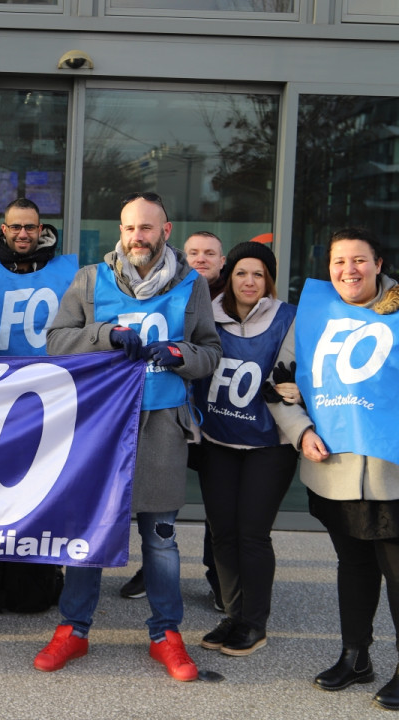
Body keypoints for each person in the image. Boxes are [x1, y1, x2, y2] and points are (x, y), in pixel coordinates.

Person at [34, 191, 220, 682]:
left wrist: (182, 355)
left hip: (162, 422)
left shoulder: (191, 284)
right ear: (121, 231)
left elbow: (210, 351)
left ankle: (165, 634)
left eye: (147, 228)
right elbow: (56, 343)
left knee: (160, 538)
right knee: (89, 530)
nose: (137, 237)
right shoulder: (90, 279)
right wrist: (105, 335)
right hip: (100, 423)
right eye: (129, 228)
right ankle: (73, 629)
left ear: (166, 231)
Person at [268, 227, 399, 710]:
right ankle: (355, 656)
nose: (349, 270)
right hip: (335, 469)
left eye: (360, 260)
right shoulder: (314, 317)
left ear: (379, 264)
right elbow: (278, 383)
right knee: (354, 567)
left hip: (393, 472)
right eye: (339, 261)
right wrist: (302, 430)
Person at [193, 242, 298, 656]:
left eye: (258, 274)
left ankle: (254, 623)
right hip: (219, 440)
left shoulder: (289, 317)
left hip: (268, 443)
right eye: (241, 273)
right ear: (229, 277)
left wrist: (298, 389)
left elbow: (310, 369)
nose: (249, 281)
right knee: (222, 533)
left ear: (267, 279)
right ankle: (234, 615)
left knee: (252, 535)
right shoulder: (207, 317)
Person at [0, 197, 76, 608]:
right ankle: (2, 569)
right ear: (4, 229)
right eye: (15, 227)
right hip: (0, 396)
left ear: (42, 229)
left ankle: (44, 572)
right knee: (3, 491)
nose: (22, 234)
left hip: (52, 396)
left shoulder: (70, 270)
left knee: (45, 490)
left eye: (30, 227)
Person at [122, 229, 227, 605]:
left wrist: (181, 354)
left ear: (222, 260)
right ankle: (147, 573)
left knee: (204, 513)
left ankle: (218, 581)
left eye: (209, 253)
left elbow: (210, 350)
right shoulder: (157, 286)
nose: (200, 258)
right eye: (194, 251)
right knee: (146, 510)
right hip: (158, 412)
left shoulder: (218, 295)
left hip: (203, 417)